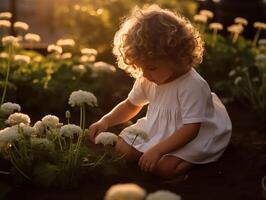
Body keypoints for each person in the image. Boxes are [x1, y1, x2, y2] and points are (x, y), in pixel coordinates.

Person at [89, 4, 232, 179]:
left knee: (164, 169)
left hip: (189, 134)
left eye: (151, 68)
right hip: (159, 127)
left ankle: (192, 161)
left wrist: (157, 150)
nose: (145, 74)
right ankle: (152, 153)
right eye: (141, 68)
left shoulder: (193, 85)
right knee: (122, 147)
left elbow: (191, 129)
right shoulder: (148, 78)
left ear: (175, 56)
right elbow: (130, 105)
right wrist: (106, 121)